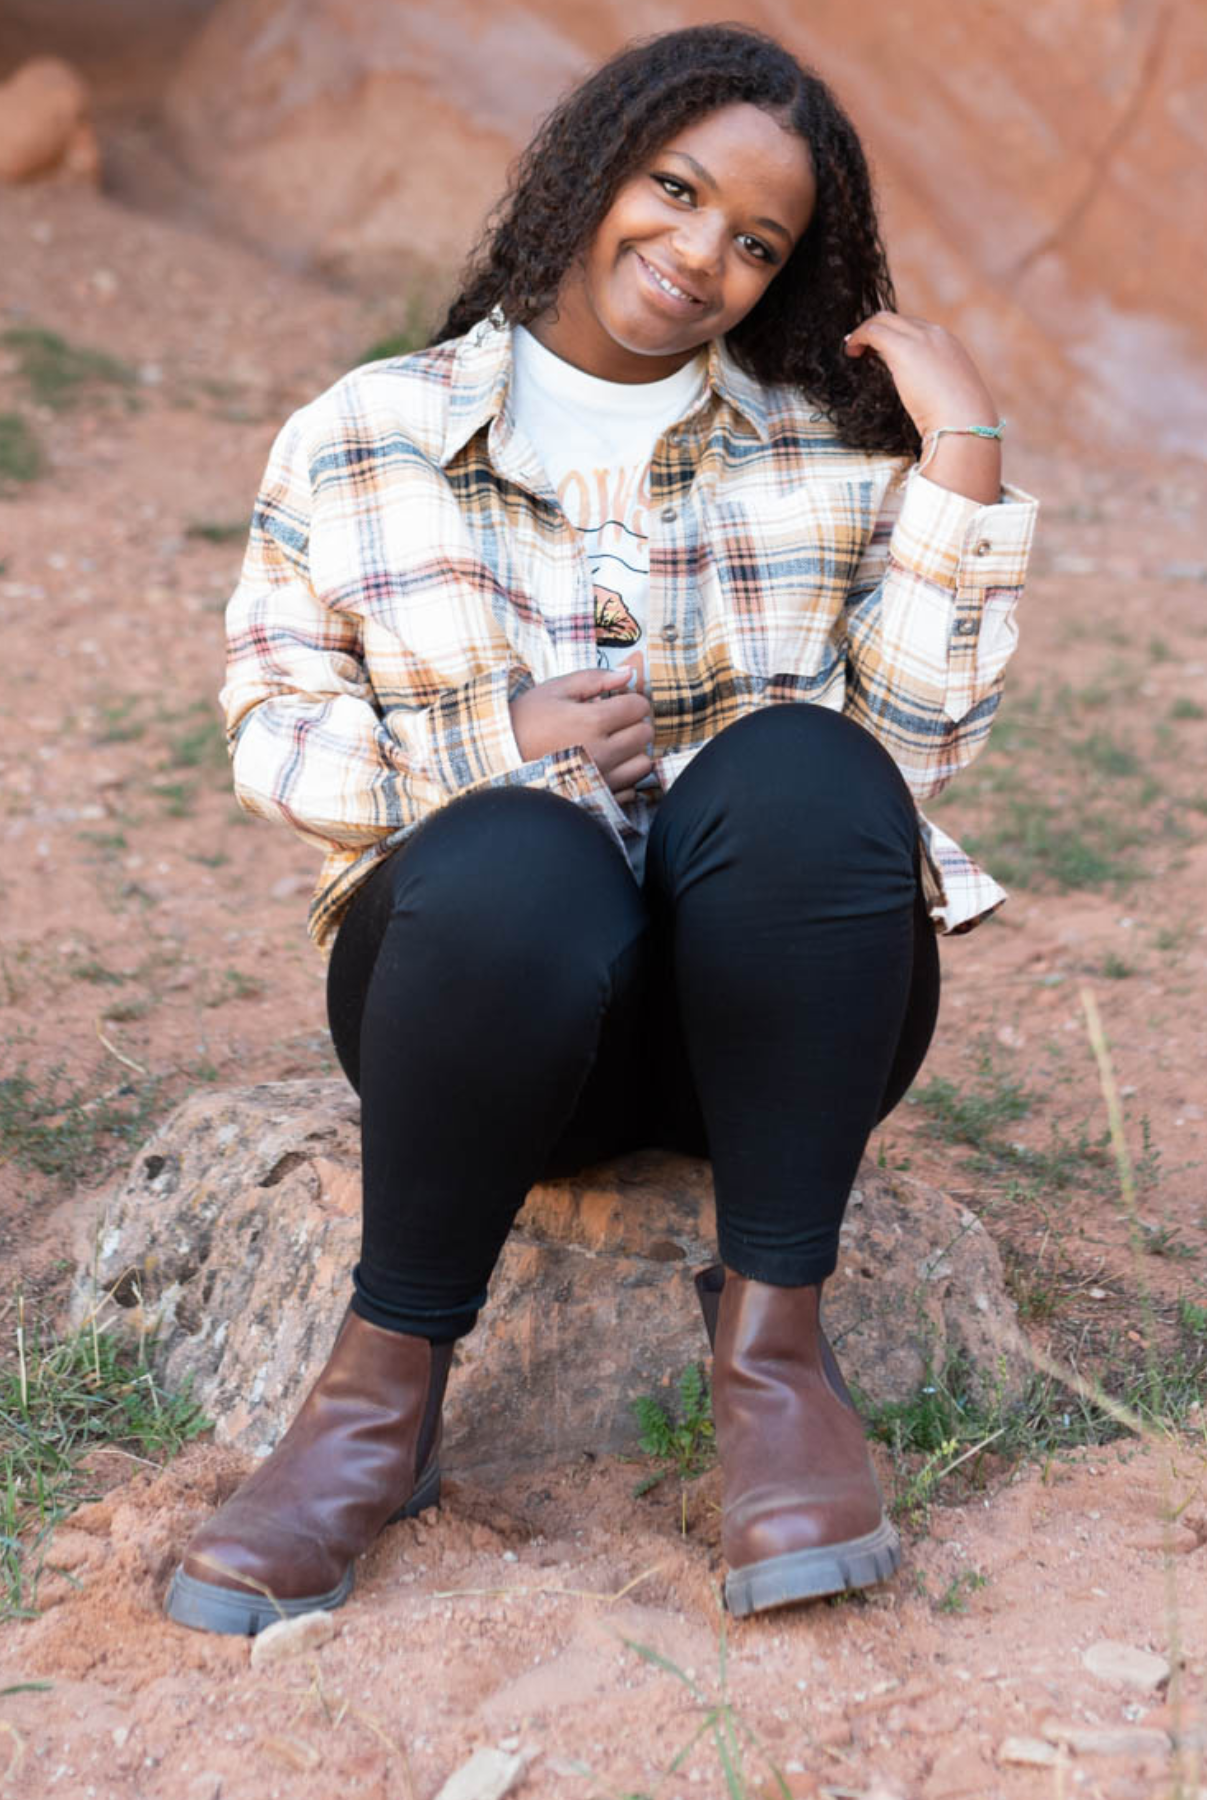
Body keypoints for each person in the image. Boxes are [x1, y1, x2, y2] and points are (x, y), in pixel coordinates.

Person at [165, 21, 1038, 1635]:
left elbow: (911, 752)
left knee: (802, 765)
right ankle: (375, 1411)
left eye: (755, 242)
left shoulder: (825, 450)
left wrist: (960, 455)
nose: (699, 253)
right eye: (677, 189)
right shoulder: (365, 433)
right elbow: (274, 735)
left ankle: (774, 1365)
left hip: (761, 1042)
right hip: (485, 1016)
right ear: (596, 169)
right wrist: (488, 743)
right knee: (510, 846)